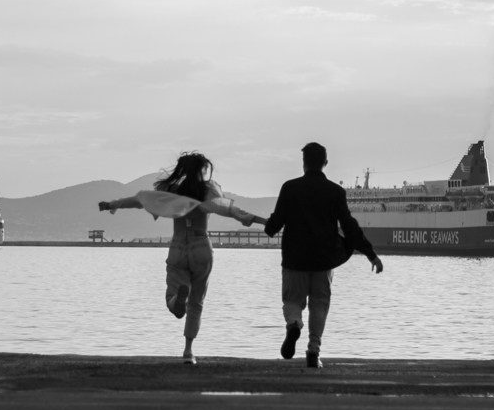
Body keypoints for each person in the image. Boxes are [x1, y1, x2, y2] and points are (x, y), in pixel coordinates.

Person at [98, 152, 267, 365]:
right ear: (202, 170)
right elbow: (232, 210)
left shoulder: (172, 191)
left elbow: (140, 200)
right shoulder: (208, 191)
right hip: (201, 247)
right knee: (197, 303)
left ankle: (177, 300)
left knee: (173, 297)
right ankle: (188, 351)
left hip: (178, 246)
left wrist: (112, 204)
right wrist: (262, 221)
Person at [264, 142, 383, 369]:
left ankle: (294, 324)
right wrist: (371, 254)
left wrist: (270, 226)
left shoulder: (289, 188)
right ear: (325, 163)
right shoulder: (335, 192)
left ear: (304, 163)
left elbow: (275, 224)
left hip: (295, 259)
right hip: (323, 259)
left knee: (292, 301)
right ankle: (313, 351)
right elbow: (349, 226)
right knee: (319, 304)